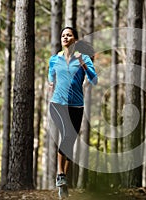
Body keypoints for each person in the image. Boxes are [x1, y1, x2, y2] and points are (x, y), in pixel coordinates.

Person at [48, 27, 97, 195]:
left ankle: (63, 181)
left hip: (77, 106)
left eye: (68, 35)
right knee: (68, 135)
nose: (65, 37)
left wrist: (83, 64)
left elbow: (94, 79)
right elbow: (50, 75)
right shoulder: (54, 59)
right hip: (57, 105)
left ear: (75, 39)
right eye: (63, 35)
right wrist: (51, 82)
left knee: (70, 141)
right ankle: (60, 174)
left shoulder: (84, 59)